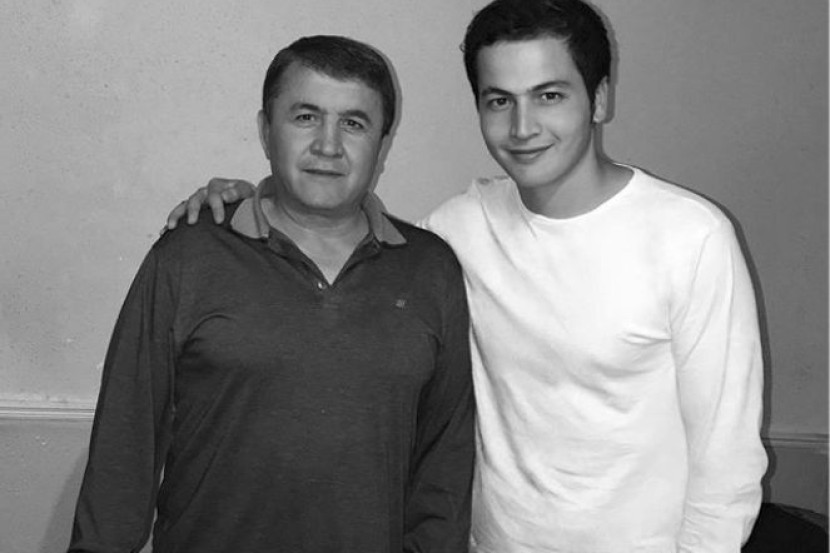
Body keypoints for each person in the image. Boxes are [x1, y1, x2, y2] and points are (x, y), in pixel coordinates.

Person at [168, 0, 768, 551]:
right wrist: (248, 203)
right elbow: (346, 239)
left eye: (549, 95)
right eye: (499, 100)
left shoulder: (690, 238)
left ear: (600, 98)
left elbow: (728, 463)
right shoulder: (458, 232)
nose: (523, 127)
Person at [69, 35, 475, 553]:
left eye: (354, 123)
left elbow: (444, 466)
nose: (328, 145)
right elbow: (124, 445)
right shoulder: (188, 256)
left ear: (382, 144)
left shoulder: (431, 269)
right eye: (305, 117)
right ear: (265, 130)